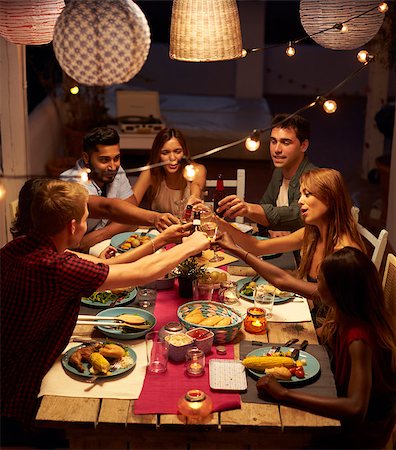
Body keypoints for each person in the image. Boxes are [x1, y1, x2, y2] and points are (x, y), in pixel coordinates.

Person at [0, 179, 209, 446]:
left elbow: (103, 265)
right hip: (17, 388)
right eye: (86, 219)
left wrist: (162, 240)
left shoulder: (19, 248)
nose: (87, 224)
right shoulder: (57, 267)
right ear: (73, 226)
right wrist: (194, 243)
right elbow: (141, 274)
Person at [256, 247, 396, 449]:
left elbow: (356, 408)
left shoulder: (359, 338)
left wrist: (284, 394)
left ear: (338, 292)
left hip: (357, 435)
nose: (316, 286)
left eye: (321, 281)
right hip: (341, 403)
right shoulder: (345, 316)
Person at [215, 168, 365, 301]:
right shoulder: (312, 233)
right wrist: (215, 219)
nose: (300, 201)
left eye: (307, 194)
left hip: (326, 329)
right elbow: (257, 246)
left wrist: (236, 250)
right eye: (301, 194)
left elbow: (284, 281)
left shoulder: (343, 252)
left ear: (330, 198)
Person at [60, 127, 179, 251]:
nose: (112, 166)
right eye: (104, 160)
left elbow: (132, 214)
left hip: (96, 243)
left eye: (116, 158)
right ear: (86, 158)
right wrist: (154, 218)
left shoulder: (115, 170)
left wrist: (94, 237)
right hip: (71, 252)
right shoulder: (70, 182)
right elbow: (108, 208)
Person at [217, 113, 317, 236]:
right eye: (273, 141)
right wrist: (271, 228)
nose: (277, 150)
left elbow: (297, 215)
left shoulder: (313, 177)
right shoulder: (279, 172)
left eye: (286, 142)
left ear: (303, 145)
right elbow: (265, 206)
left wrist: (248, 209)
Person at [131, 128, 207, 216]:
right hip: (160, 229)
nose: (172, 158)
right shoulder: (151, 171)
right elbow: (129, 205)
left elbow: (196, 187)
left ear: (184, 152)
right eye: (165, 153)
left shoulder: (197, 169)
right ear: (158, 154)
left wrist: (194, 197)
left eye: (177, 151)